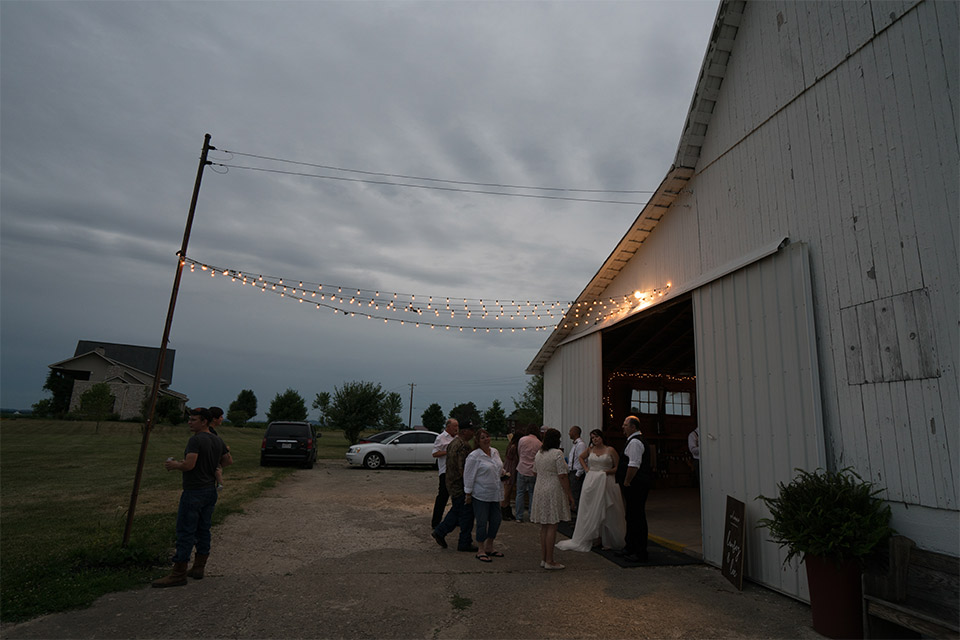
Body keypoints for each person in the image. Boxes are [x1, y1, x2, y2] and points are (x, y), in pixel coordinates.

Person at [153, 407, 232, 587]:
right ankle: (198, 567)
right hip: (210, 491)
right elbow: (227, 461)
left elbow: (189, 465)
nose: (190, 422)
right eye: (189, 419)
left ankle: (178, 572)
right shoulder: (217, 440)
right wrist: (212, 467)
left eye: (193, 420)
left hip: (194, 490)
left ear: (204, 421)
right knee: (203, 529)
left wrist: (174, 465)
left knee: (186, 530)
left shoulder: (196, 440)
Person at [556, 429, 626, 552]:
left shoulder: (610, 450)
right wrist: (587, 469)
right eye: (592, 438)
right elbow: (581, 457)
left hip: (607, 481)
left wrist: (607, 472)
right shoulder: (590, 449)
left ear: (602, 437)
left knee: (607, 509)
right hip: (593, 481)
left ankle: (608, 539)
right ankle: (595, 537)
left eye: (597, 437)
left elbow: (618, 467)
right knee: (592, 508)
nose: (595, 439)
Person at [530, 428, 575, 570]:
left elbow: (534, 471)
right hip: (552, 489)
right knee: (552, 525)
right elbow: (562, 475)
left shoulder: (539, 453)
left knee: (544, 525)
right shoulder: (557, 453)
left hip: (540, 488)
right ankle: (550, 560)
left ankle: (544, 559)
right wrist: (569, 495)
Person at [431, 421, 477, 552]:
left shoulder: (454, 443)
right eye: (470, 430)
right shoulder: (462, 446)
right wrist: (469, 485)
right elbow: (463, 468)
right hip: (459, 483)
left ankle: (442, 532)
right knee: (466, 512)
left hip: (452, 481)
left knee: (458, 510)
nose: (473, 433)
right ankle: (461, 540)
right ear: (464, 432)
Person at [463, 428, 505, 562]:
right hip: (481, 494)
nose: (486, 439)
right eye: (482, 438)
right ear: (478, 441)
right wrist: (468, 493)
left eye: (487, 436)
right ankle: (480, 549)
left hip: (495, 493)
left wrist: (504, 473)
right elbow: (469, 475)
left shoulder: (494, 452)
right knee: (482, 522)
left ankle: (489, 546)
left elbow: (498, 468)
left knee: (496, 520)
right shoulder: (474, 456)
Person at [616, 415, 653, 563]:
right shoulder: (632, 441)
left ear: (633, 427)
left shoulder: (635, 442)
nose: (623, 427)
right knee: (631, 516)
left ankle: (639, 551)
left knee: (637, 517)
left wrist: (626, 481)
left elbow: (634, 464)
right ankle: (630, 546)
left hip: (635, 485)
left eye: (625, 425)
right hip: (635, 485)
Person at [431, 418, 459, 529]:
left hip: (456, 472)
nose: (456, 428)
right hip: (445, 472)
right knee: (442, 497)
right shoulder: (441, 438)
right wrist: (449, 451)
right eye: (454, 426)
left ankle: (455, 520)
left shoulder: (457, 438)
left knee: (457, 497)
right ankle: (436, 522)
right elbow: (435, 453)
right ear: (448, 427)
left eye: (457, 426)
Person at [514, 424, 541, 523]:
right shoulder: (539, 443)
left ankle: (518, 516)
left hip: (522, 468)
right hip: (533, 471)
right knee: (532, 494)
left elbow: (519, 452)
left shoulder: (522, 440)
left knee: (520, 493)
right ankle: (531, 515)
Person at [567, 426, 587, 515]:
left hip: (576, 473)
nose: (569, 433)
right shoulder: (575, 444)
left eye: (570, 431)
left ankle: (576, 514)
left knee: (576, 494)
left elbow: (582, 459)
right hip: (572, 472)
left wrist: (578, 474)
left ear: (575, 432)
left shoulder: (581, 445)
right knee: (572, 493)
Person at [500, 429, 518, 521]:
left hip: (508, 466)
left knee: (508, 491)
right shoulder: (514, 447)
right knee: (506, 492)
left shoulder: (511, 445)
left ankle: (507, 510)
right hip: (510, 468)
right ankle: (503, 511)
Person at [208, 406, 227, 491]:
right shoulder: (211, 432)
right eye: (221, 417)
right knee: (217, 469)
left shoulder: (209, 430)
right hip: (211, 460)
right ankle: (219, 484)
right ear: (214, 419)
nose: (222, 419)